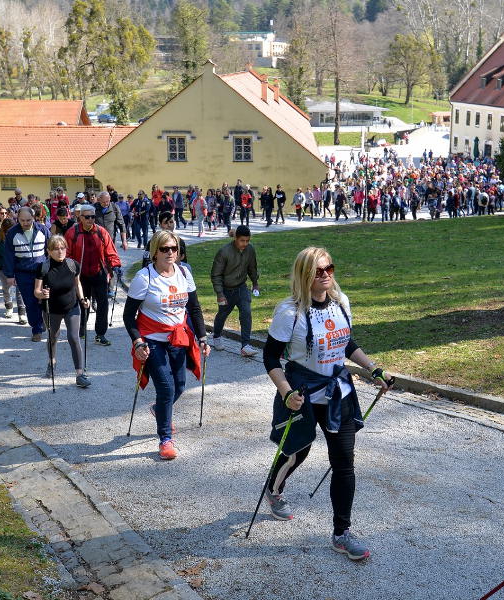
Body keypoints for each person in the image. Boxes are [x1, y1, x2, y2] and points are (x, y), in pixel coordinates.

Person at [262, 246, 392, 561]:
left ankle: (341, 533)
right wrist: (285, 392)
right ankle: (274, 490)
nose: (326, 275)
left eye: (329, 268)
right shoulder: (289, 312)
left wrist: (373, 369)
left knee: (344, 461)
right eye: (319, 271)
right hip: (302, 395)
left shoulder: (341, 303)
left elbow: (346, 342)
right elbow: (271, 356)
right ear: (304, 275)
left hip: (338, 393)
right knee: (296, 452)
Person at [124, 231, 210, 460]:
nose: (171, 252)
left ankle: (159, 409)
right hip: (152, 341)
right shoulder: (145, 277)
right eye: (165, 249)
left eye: (174, 248)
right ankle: (165, 440)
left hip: (178, 338)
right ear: (155, 252)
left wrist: (202, 337)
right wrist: (138, 341)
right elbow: (128, 315)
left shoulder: (184, 272)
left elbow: (194, 308)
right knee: (166, 388)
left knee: (180, 386)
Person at [35, 235, 90, 388]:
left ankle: (80, 374)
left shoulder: (73, 265)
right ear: (49, 251)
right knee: (53, 337)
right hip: (51, 309)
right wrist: (42, 294)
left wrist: (83, 299)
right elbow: (36, 291)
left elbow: (77, 284)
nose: (60, 251)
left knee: (74, 337)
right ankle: (51, 362)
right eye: (56, 249)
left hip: (71, 307)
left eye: (62, 248)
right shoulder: (43, 267)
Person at [64, 203, 122, 346]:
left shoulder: (101, 232)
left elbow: (111, 251)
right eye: (87, 217)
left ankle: (100, 334)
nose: (91, 219)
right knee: (83, 302)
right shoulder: (72, 232)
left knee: (103, 304)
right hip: (80, 275)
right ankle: (81, 330)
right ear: (80, 218)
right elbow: (67, 253)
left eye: (93, 217)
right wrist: (69, 269)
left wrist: (115, 265)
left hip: (99, 273)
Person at [3, 206, 51, 342]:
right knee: (30, 303)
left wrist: (51, 267)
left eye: (28, 220)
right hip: (23, 273)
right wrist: (10, 275)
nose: (25, 223)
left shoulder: (42, 229)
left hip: (41, 272)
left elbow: (51, 248)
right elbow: (8, 255)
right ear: (17, 219)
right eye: (22, 220)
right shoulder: (12, 233)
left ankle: (42, 321)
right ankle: (36, 329)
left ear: (34, 218)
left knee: (43, 300)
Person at [210, 225, 259, 356]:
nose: (245, 244)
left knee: (246, 313)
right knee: (222, 314)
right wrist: (220, 294)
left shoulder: (250, 250)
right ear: (235, 239)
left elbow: (252, 268)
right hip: (226, 290)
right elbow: (216, 274)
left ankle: (245, 345)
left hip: (242, 287)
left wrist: (255, 283)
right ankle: (216, 336)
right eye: (242, 240)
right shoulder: (224, 252)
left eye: (247, 241)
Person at [0, 219, 27, 322]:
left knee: (20, 290)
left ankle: (22, 313)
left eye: (11, 230)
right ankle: (9, 307)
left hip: (18, 267)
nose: (8, 233)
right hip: (2, 267)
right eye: (6, 230)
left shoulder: (20, 236)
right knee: (6, 288)